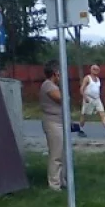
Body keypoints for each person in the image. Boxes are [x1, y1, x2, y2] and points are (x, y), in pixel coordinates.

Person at [40, 61, 66, 190]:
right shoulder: (48, 85)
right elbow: (62, 99)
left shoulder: (54, 86)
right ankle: (54, 184)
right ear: (55, 73)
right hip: (52, 123)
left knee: (62, 153)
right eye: (60, 73)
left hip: (60, 121)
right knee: (56, 154)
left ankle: (62, 180)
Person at [78, 64, 105, 138]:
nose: (96, 71)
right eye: (94, 69)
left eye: (97, 69)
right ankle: (80, 129)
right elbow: (81, 89)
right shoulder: (87, 78)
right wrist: (85, 97)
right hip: (89, 99)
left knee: (102, 114)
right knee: (85, 116)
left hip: (97, 99)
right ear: (91, 70)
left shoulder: (98, 79)